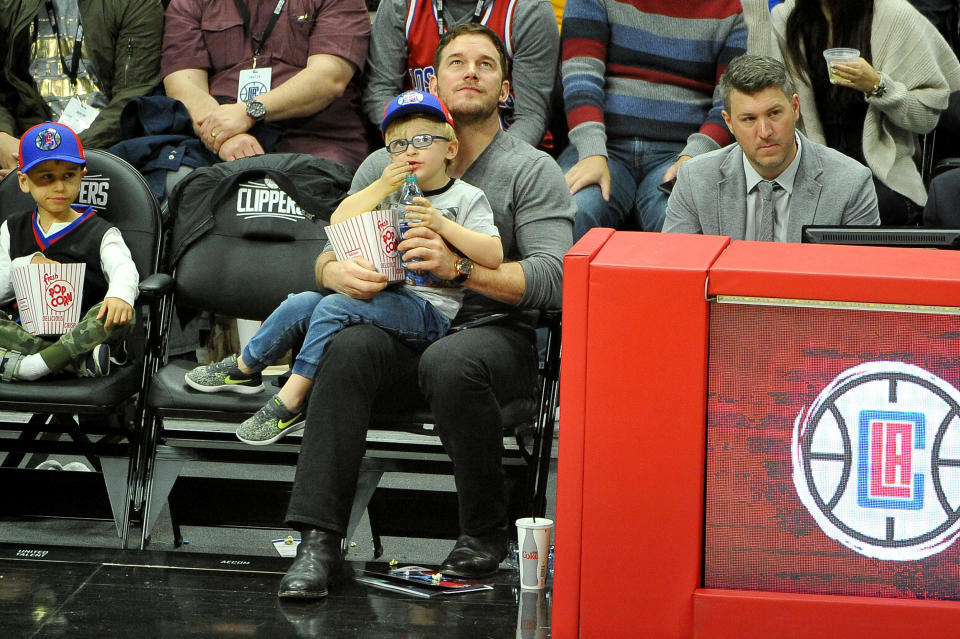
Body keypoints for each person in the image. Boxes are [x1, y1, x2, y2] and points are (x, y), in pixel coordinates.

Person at [277, 23, 573, 599]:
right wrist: (333, 273)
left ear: (505, 88)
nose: (469, 72)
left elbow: (556, 279)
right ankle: (319, 543)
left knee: (451, 361)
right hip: (397, 326)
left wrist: (460, 269)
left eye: (485, 65)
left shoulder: (530, 171)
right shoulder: (387, 163)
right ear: (432, 81)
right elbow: (322, 255)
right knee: (346, 344)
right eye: (456, 62)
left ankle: (484, 534)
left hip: (492, 335)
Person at [183, 90, 503, 446]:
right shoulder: (390, 192)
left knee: (335, 307)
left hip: (430, 312)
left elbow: (493, 254)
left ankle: (292, 398)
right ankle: (246, 366)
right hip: (386, 294)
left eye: (424, 140)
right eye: (397, 145)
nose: (410, 150)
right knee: (302, 302)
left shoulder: (466, 197)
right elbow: (339, 219)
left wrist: (443, 226)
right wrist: (382, 184)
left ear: (451, 148)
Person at [558, 0, 747, 239]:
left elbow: (730, 102)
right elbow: (581, 76)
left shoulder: (731, 8)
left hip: (682, 150)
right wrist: (591, 151)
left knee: (686, 227)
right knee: (570, 214)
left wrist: (694, 157)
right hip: (602, 145)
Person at [763, 0, 960, 224]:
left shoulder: (893, 15)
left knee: (851, 210)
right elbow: (774, 102)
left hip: (884, 174)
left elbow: (926, 118)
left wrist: (877, 86)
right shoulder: (787, 18)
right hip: (812, 171)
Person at [663, 54, 880, 240]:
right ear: (728, 122)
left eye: (774, 114)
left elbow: (863, 282)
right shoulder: (695, 180)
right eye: (749, 119)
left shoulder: (850, 183)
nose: (765, 132)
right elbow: (676, 272)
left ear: (795, 108)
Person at [0, 122, 138, 381]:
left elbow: (124, 269)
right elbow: (2, 287)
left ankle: (30, 368)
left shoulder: (100, 231)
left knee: (117, 315)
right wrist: (27, 264)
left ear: (81, 175)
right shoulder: (13, 228)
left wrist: (120, 295)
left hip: (81, 333)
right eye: (46, 177)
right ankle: (69, 364)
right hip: (27, 333)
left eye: (68, 176)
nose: (59, 187)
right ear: (23, 181)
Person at [161, 0, 371, 169]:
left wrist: (249, 112)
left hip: (313, 139)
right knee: (175, 181)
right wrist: (222, 136)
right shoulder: (189, 4)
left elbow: (328, 78)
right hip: (216, 142)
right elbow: (183, 85)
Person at [363, 1, 560, 149]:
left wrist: (486, 162)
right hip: (421, 148)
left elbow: (531, 115)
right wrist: (420, 147)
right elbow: (380, 92)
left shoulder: (527, 9)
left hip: (508, 149)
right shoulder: (402, 5)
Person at [0, 0, 164, 177]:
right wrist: (3, 137)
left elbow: (133, 97)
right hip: (25, 144)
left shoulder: (135, 4)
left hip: (109, 146)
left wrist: (59, 154)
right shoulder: (9, 5)